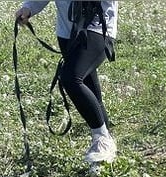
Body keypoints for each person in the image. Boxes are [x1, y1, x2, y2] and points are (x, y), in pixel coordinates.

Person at [15, 1, 118, 164]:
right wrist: (29, 8)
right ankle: (103, 154)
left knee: (71, 78)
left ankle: (102, 140)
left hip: (98, 27)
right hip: (67, 32)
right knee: (88, 86)